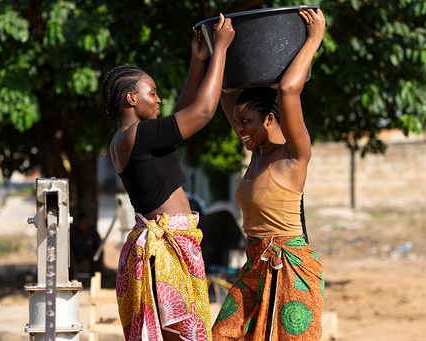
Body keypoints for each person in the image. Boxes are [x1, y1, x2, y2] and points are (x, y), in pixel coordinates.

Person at [101, 15, 235, 341]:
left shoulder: (127, 138)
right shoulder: (137, 135)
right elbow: (201, 112)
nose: (158, 99)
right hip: (164, 254)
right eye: (152, 93)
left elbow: (178, 118)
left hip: (164, 249)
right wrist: (221, 51)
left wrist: (197, 60)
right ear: (131, 99)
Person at [212, 8, 325, 341]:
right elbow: (223, 93)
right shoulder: (256, 154)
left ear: (271, 120)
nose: (239, 130)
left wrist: (314, 39)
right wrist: (218, 48)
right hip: (255, 265)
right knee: (224, 334)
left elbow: (288, 90)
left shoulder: (293, 155)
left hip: (290, 268)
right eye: (237, 123)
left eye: (246, 123)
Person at [69, 212, 102, 280]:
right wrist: (73, 263)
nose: (84, 225)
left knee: (95, 260)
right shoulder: (73, 232)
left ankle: (95, 278)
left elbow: (99, 246)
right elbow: (69, 249)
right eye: (82, 222)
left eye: (85, 222)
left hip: (89, 254)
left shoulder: (92, 231)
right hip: (75, 254)